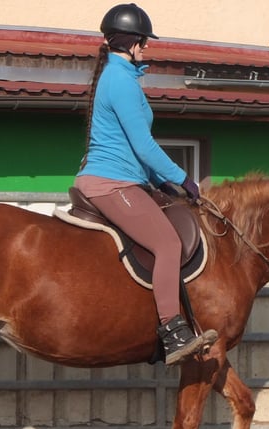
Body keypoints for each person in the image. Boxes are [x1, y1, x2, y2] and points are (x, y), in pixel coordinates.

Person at [74, 3, 217, 366]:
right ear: (132, 41)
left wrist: (162, 183)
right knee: (168, 242)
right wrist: (181, 177)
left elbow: (132, 150)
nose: (147, 48)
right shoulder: (120, 80)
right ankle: (171, 331)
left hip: (125, 178)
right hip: (111, 184)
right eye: (144, 41)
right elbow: (143, 145)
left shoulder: (120, 76)